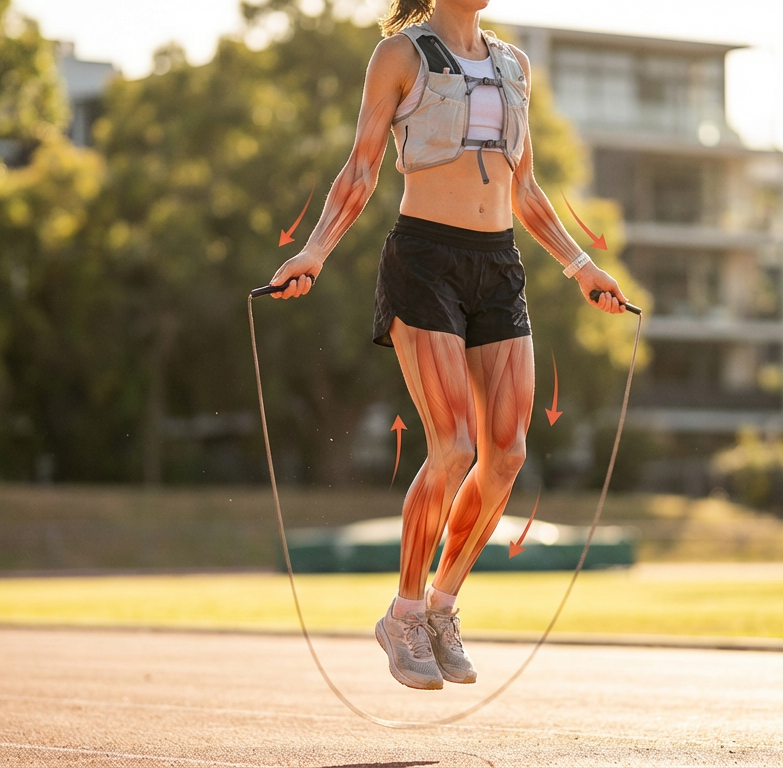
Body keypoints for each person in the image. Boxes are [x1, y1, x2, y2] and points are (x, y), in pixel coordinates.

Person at [267, 0, 628, 690]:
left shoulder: (512, 64)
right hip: (424, 260)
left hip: (499, 265)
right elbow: (361, 168)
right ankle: (401, 614)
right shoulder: (400, 56)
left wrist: (582, 266)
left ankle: (441, 607)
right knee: (453, 445)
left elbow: (525, 187)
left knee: (508, 452)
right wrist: (312, 251)